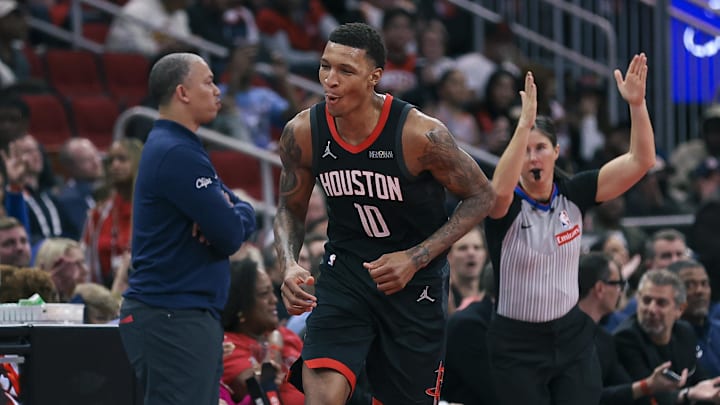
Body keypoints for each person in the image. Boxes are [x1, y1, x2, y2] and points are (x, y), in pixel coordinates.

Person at [273, 22, 495, 404]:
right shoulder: (304, 131)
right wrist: (289, 264)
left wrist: (415, 257)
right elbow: (288, 210)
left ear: (375, 77)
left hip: (414, 284)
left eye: (346, 71)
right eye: (325, 66)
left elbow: (481, 196)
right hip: (345, 272)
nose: (330, 80)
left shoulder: (420, 135)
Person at [484, 53, 656, 404]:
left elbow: (642, 162)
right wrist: (523, 126)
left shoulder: (575, 193)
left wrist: (637, 105)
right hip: (516, 345)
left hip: (571, 336)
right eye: (525, 150)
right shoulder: (506, 205)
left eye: (541, 148)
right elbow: (497, 192)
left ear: (556, 152)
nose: (533, 158)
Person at [118, 52, 257, 405]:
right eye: (209, 82)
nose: (217, 91)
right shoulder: (176, 152)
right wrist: (231, 214)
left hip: (178, 314)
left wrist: (235, 210)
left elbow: (240, 214)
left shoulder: (178, 147)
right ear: (182, 92)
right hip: (172, 316)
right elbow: (228, 235)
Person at [577, 252, 686, 404]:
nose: (621, 292)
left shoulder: (604, 339)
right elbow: (586, 397)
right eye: (618, 284)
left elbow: (624, 387)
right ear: (600, 288)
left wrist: (649, 386)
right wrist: (647, 385)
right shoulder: (566, 336)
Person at [614, 269, 720, 404]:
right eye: (646, 300)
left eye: (661, 303)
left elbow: (699, 377)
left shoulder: (684, 332)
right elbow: (648, 397)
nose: (651, 309)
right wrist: (687, 394)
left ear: (680, 309)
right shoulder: (626, 338)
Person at [221, 258, 304, 405]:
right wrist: (274, 348)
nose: (274, 300)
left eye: (272, 292)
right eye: (264, 294)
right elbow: (258, 389)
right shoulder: (228, 346)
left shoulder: (287, 335)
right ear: (241, 306)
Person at [668, 259, 720, 377]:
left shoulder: (718, 330)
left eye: (704, 283)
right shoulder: (666, 339)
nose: (699, 291)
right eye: (689, 285)